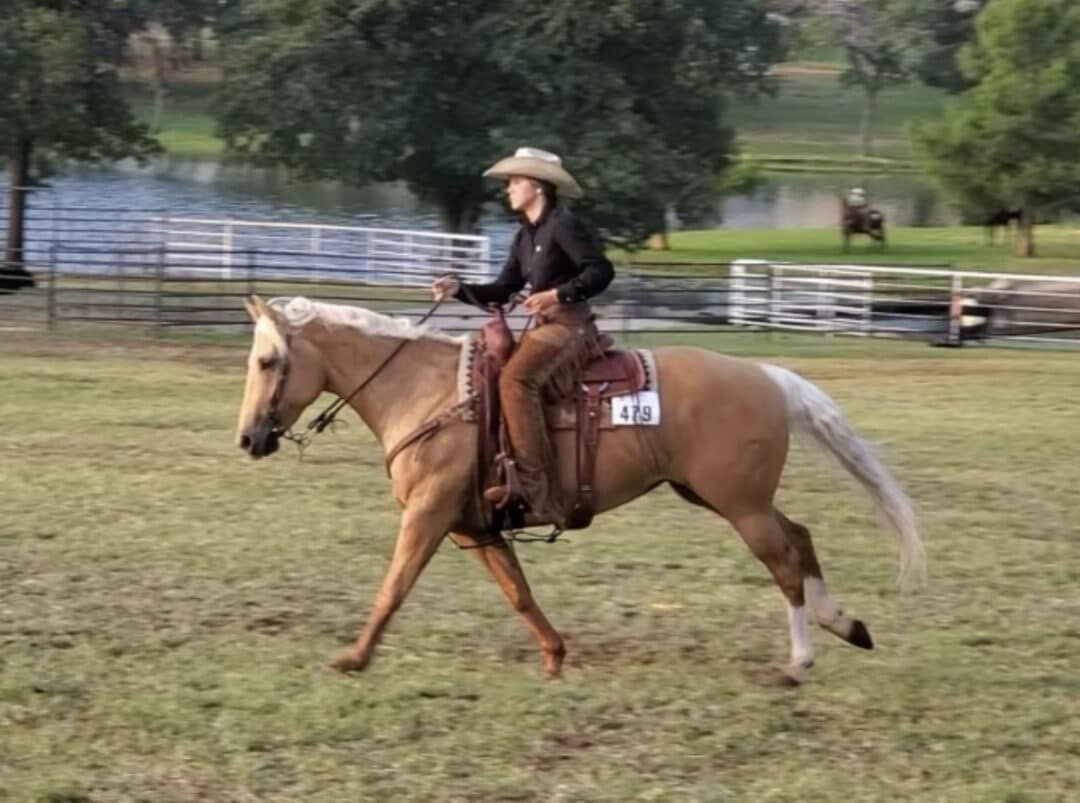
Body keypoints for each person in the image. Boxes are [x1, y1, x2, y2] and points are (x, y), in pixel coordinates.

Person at [431, 147, 614, 527]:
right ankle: (503, 467)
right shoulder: (524, 236)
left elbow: (601, 271)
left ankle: (536, 491)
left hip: (570, 326)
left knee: (516, 381)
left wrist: (557, 294)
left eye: (514, 182)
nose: (508, 190)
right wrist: (458, 289)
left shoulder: (563, 225)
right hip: (545, 327)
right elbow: (504, 288)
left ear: (536, 186)